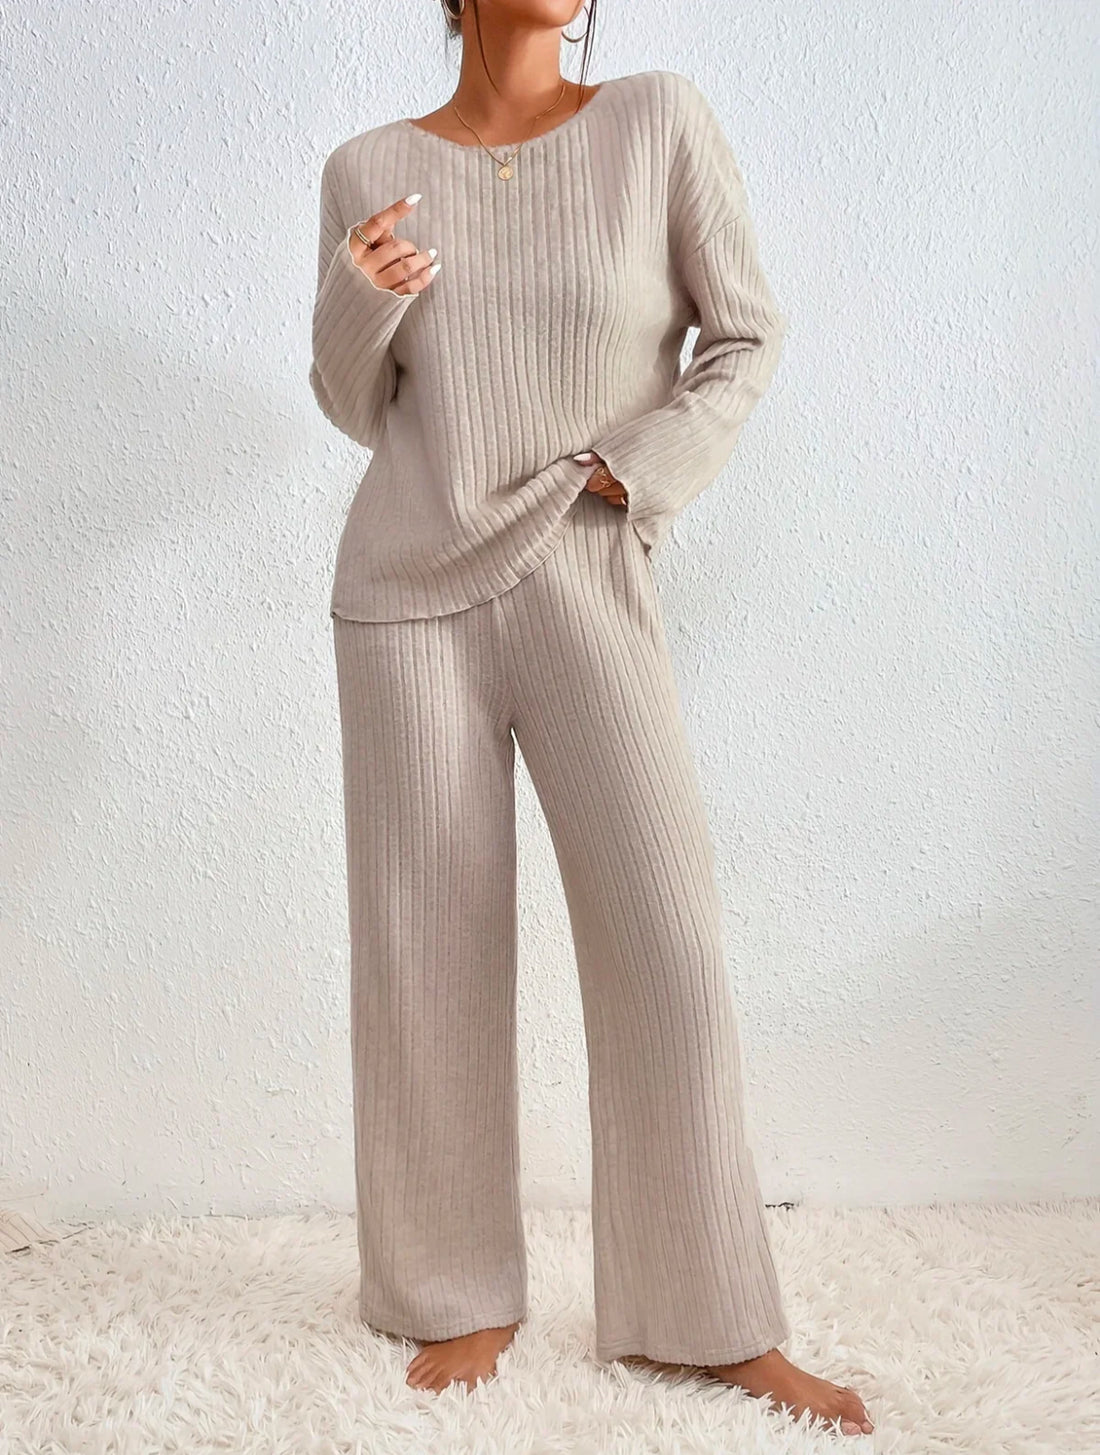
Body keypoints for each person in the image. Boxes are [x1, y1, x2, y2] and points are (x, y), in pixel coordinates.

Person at [309, 0, 873, 1440]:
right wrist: (358, 301)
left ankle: (710, 1319)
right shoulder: (368, 164)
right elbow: (355, 404)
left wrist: (632, 472)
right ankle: (451, 1293)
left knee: (664, 943)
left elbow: (745, 335)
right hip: (406, 596)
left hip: (583, 563)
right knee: (425, 951)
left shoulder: (656, 121)